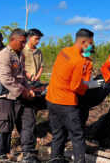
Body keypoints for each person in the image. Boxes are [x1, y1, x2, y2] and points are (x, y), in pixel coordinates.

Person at [46, 28, 103, 163]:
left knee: (58, 134)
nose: (91, 45)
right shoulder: (78, 60)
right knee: (77, 136)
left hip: (51, 99)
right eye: (90, 43)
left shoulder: (63, 52)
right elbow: (76, 87)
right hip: (66, 103)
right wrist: (89, 86)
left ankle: (55, 160)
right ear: (83, 42)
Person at [0, 28, 38, 162]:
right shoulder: (3, 55)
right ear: (12, 40)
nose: (24, 45)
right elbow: (6, 79)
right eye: (21, 42)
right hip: (4, 96)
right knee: (5, 127)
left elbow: (21, 76)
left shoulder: (20, 55)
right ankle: (2, 155)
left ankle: (28, 152)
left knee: (28, 121)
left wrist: (29, 89)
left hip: (20, 94)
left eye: (25, 42)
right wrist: (24, 91)